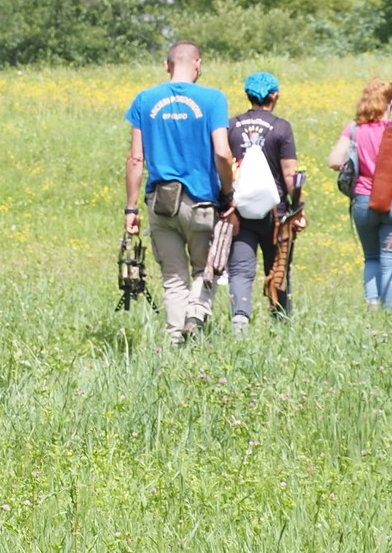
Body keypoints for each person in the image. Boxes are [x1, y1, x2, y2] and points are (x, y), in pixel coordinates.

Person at [123, 41, 233, 345]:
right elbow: (223, 153)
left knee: (173, 278)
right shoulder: (213, 99)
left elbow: (135, 159)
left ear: (166, 65)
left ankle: (175, 343)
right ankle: (196, 314)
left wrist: (131, 209)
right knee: (204, 269)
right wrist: (229, 192)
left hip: (161, 204)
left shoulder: (145, 100)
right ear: (197, 64)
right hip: (201, 203)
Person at [327, 79, 392, 309]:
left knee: (372, 257)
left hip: (363, 202)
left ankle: (372, 308)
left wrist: (354, 162)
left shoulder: (353, 129)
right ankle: (389, 315)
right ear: (390, 102)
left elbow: (333, 161)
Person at [226, 71, 302, 333]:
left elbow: (224, 167)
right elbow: (290, 175)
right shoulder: (281, 128)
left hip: (241, 212)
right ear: (274, 95)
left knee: (240, 270)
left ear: (248, 95)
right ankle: (280, 323)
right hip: (276, 214)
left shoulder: (232, 126)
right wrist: (298, 207)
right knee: (278, 269)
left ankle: (239, 321)